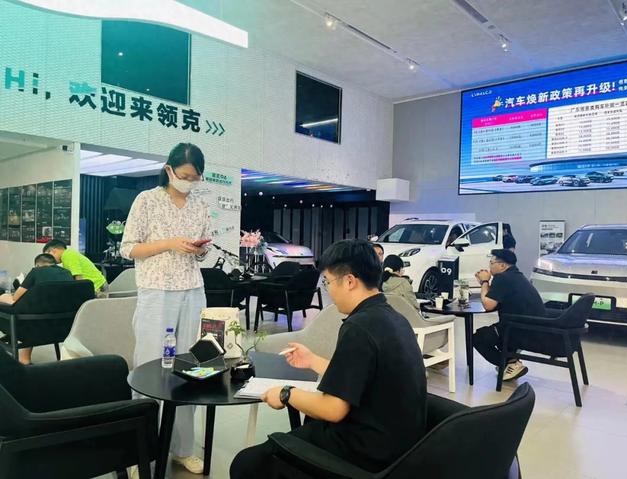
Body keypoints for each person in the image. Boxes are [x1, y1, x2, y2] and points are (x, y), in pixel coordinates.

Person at [230, 239, 427, 478]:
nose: (328, 291)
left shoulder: (359, 327)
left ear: (350, 281)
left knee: (247, 463)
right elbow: (362, 375)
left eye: (328, 282)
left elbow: (333, 409)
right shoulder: (393, 318)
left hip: (367, 454)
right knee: (308, 423)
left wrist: (286, 393)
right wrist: (313, 360)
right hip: (401, 448)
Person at [120, 142, 213, 475]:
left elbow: (204, 250)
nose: (189, 182)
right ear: (169, 170)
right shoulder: (146, 200)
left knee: (192, 368)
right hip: (157, 290)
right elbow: (128, 248)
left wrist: (199, 250)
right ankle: (141, 450)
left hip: (193, 290)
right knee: (149, 367)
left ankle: (182, 448)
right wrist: (170, 243)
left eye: (195, 177)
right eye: (185, 176)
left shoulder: (200, 205)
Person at [473, 249, 546, 381]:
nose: (489, 266)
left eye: (491, 263)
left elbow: (488, 304)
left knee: (479, 338)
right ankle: (510, 362)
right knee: (495, 331)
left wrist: (484, 282)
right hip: (533, 326)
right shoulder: (515, 276)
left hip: (519, 329)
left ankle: (510, 364)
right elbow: (494, 298)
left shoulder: (502, 278)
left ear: (502, 265)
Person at [0, 253, 73, 364]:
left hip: (31, 326)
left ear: (37, 265)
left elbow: (15, 298)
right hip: (62, 326)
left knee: (6, 299)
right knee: (34, 311)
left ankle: (23, 357)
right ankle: (24, 358)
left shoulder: (36, 271)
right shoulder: (67, 273)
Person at [43, 239, 107, 295]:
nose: (49, 260)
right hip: (96, 285)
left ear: (53, 251)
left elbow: (78, 279)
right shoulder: (68, 255)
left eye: (48, 256)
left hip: (97, 287)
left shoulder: (68, 255)